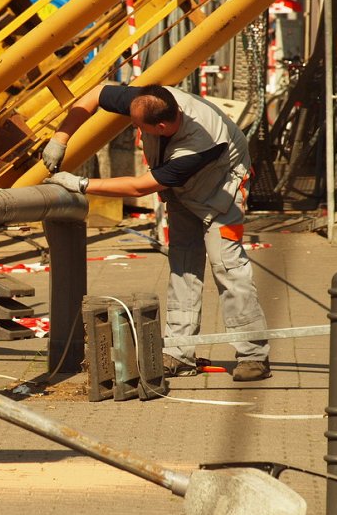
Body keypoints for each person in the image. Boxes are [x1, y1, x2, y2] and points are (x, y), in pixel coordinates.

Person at [41, 83, 271, 382]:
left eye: (138, 127)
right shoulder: (149, 101)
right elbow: (96, 93)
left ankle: (254, 356)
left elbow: (140, 186)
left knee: (227, 267)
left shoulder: (199, 144)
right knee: (183, 268)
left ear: (161, 126)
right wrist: (61, 137)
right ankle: (178, 353)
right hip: (181, 191)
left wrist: (81, 184)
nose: (135, 129)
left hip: (221, 192)